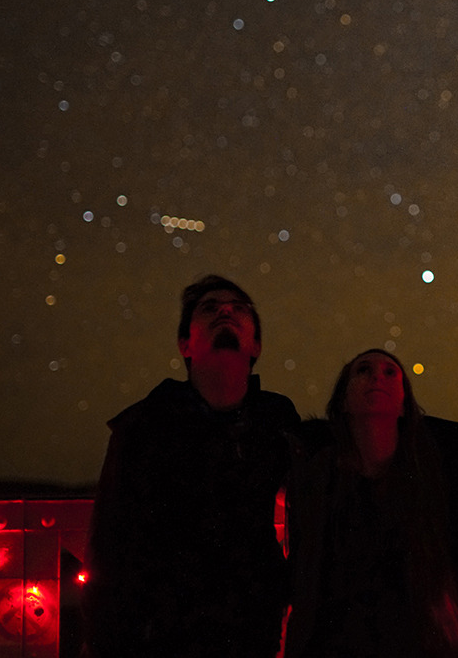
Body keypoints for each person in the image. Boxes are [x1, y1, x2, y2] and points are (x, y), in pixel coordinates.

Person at [83, 275, 301, 658]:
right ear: (185, 344)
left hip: (251, 627)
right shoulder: (145, 426)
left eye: (238, 308)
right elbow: (110, 539)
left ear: (256, 345)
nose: (225, 312)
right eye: (210, 308)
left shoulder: (276, 420)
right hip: (162, 632)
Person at [284, 348, 458, 658]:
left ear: (403, 405)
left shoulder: (439, 472)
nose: (376, 377)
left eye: (389, 372)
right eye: (363, 370)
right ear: (344, 401)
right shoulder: (316, 477)